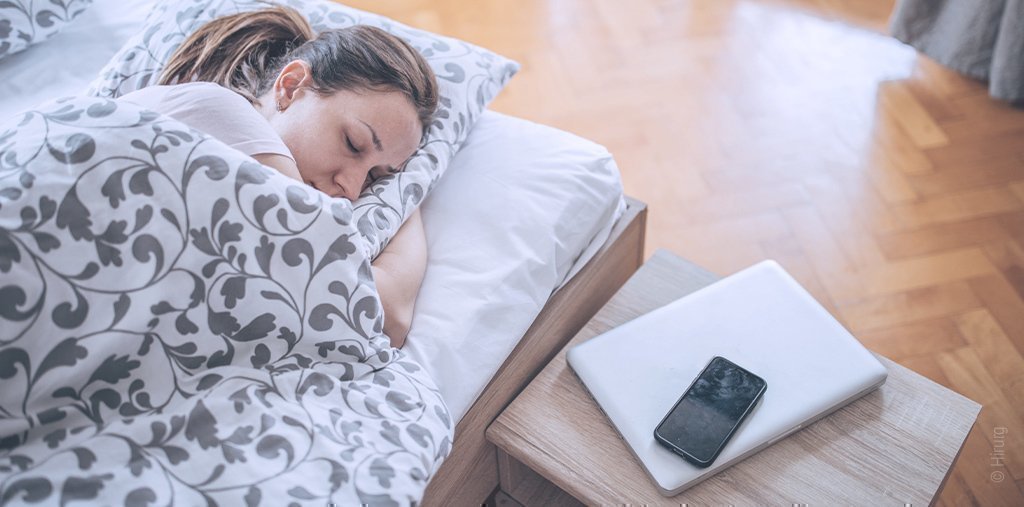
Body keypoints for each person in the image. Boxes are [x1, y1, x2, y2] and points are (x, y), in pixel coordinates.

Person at [119, 6, 437, 348]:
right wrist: (413, 191)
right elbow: (385, 314)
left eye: (375, 176)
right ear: (291, 86)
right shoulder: (221, 112)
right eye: (353, 143)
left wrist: (406, 184)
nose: (353, 188)